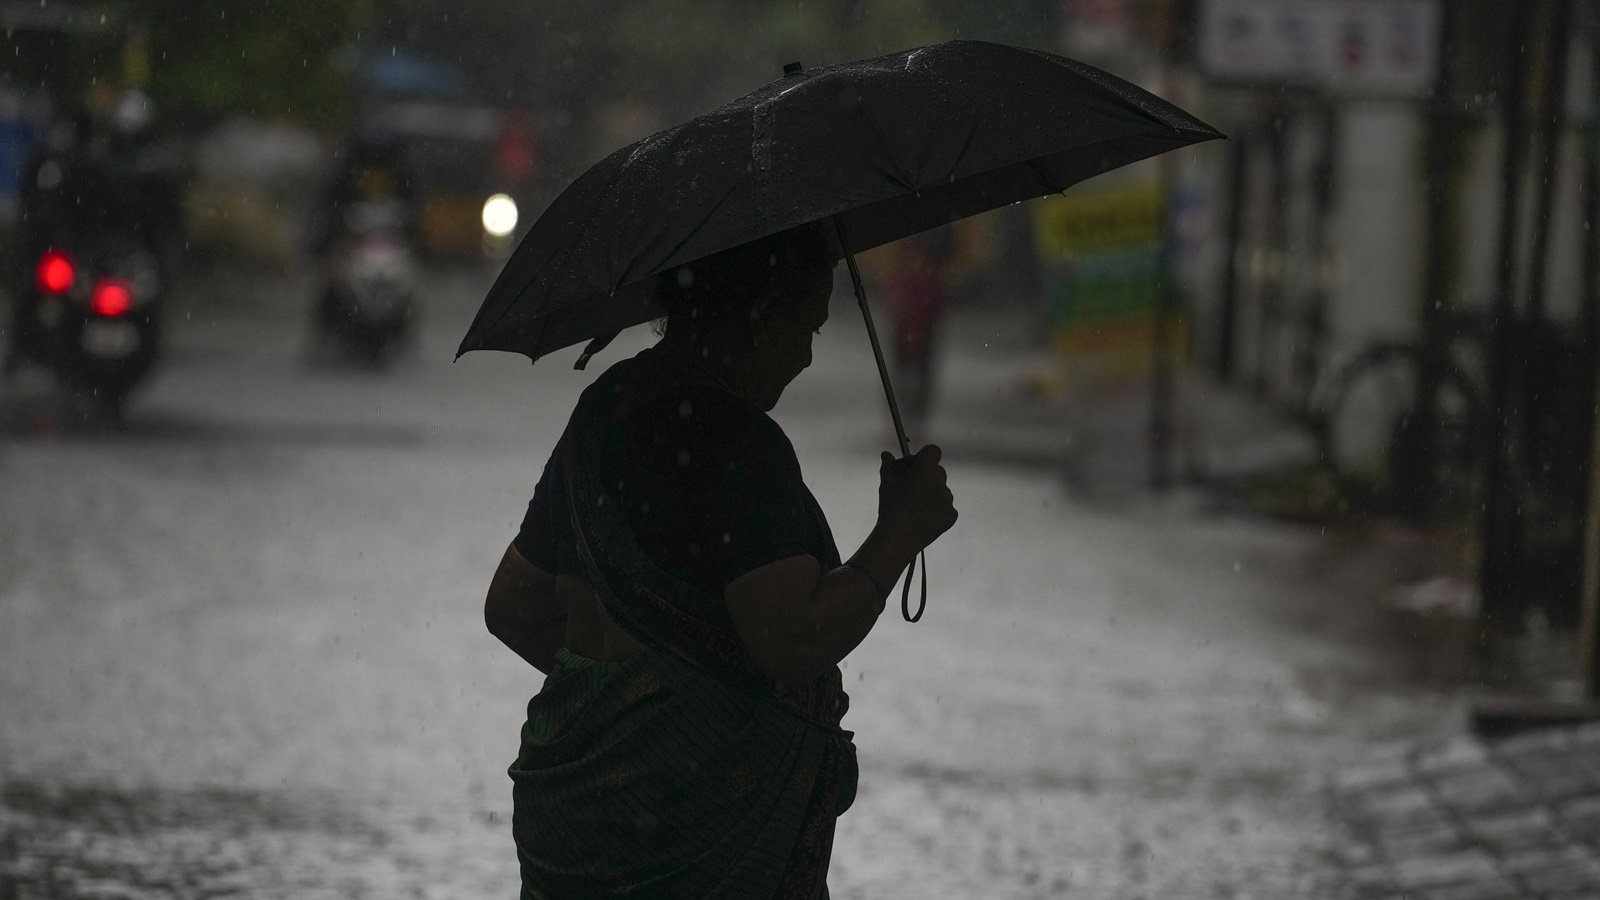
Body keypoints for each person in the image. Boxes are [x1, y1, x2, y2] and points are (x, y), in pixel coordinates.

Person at [482, 224, 958, 899]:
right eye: (808, 328)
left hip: (570, 829)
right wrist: (900, 534)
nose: (806, 358)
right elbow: (792, 640)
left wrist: (626, 695)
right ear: (762, 318)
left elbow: (512, 607)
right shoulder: (737, 444)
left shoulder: (604, 409)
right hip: (692, 836)